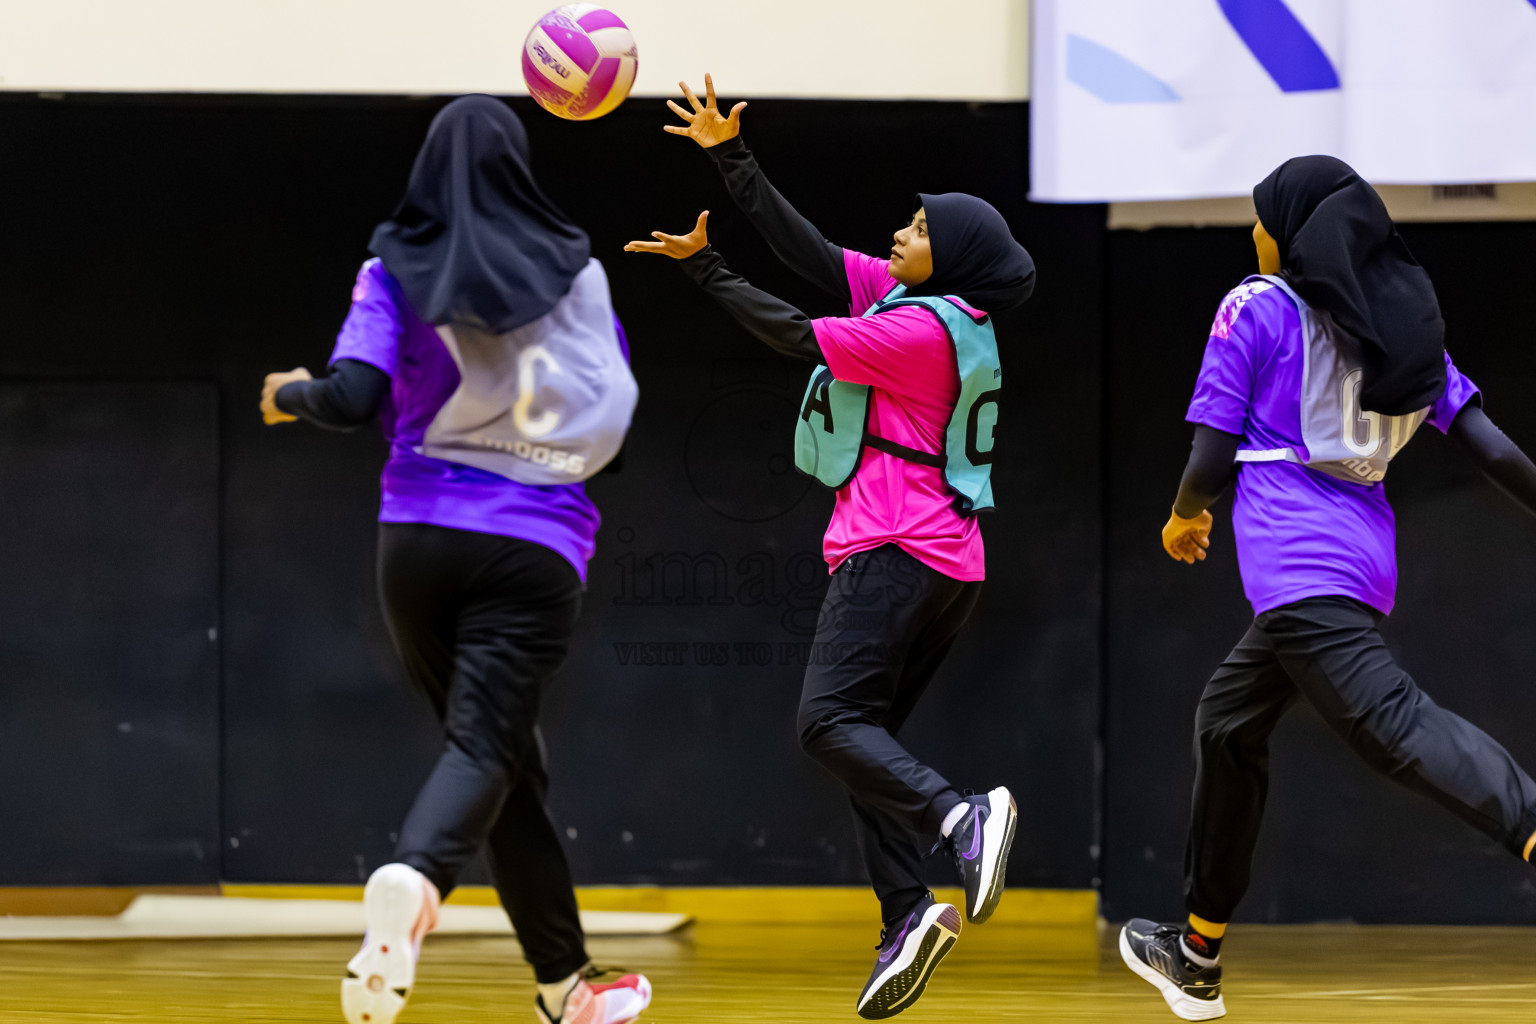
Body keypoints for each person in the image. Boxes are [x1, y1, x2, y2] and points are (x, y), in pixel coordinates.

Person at [626, 75, 1033, 1020]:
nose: (901, 233)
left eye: (921, 228)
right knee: (862, 741)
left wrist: (705, 272)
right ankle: (905, 916)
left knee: (825, 725)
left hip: (895, 549)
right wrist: (731, 158)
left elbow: (794, 332)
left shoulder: (913, 332)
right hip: (949, 563)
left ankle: (961, 818)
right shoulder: (939, 313)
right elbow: (807, 252)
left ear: (955, 256)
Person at [259, 95, 649, 1024]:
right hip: (535, 546)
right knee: (488, 747)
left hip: (418, 546)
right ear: (521, 168)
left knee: (503, 761)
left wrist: (291, 395)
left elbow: (354, 397)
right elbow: (616, 436)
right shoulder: (579, 277)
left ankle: (566, 988)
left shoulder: (393, 265)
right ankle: (415, 880)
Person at [1119, 155, 1536, 1022]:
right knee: (1228, 721)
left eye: (1262, 218)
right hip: (1353, 564)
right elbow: (1493, 449)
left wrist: (1183, 517)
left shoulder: (1257, 307)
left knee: (1390, 725)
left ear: (1291, 232)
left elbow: (1206, 456)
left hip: (1296, 563)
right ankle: (1196, 954)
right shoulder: (1404, 332)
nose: (1254, 232)